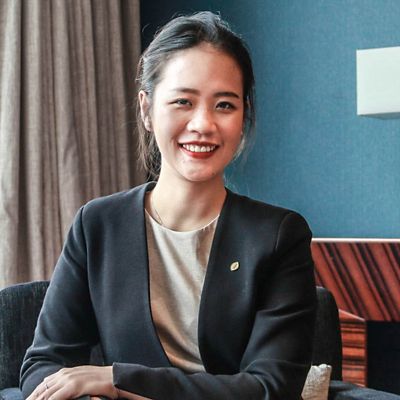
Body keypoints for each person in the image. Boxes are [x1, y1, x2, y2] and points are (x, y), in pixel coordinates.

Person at [20, 11, 316, 400]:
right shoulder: (97, 224)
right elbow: (43, 365)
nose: (203, 124)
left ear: (243, 116)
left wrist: (117, 380)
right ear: (146, 109)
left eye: (224, 105)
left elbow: (269, 389)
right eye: (183, 101)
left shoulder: (278, 236)